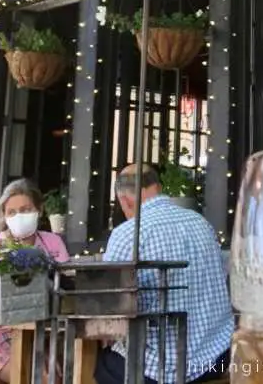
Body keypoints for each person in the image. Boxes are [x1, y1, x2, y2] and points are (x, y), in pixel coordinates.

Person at [94, 164, 233, 384]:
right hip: (219, 357)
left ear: (124, 200)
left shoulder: (127, 234)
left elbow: (109, 307)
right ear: (158, 187)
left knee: (101, 364)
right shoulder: (201, 223)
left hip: (159, 369)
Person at [0, 179, 69, 382]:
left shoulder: (53, 242)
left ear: (39, 209)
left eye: (25, 209)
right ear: (4, 216)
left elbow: (66, 284)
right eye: (12, 212)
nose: (18, 216)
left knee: (63, 376)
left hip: (41, 334)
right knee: (39, 379)